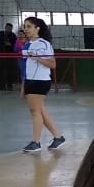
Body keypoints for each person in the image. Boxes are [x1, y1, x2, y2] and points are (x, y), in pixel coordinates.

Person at [20, 16, 66, 152]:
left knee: (35, 111)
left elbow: (53, 64)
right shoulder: (27, 45)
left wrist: (37, 58)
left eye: (29, 26)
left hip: (40, 81)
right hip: (29, 81)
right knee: (40, 111)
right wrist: (23, 86)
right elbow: (25, 67)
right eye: (25, 26)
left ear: (37, 28)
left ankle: (36, 142)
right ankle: (58, 137)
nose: (25, 29)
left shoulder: (44, 44)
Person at [0, 23, 19, 91]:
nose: (8, 29)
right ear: (5, 27)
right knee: (0, 71)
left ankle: (10, 86)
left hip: (10, 55)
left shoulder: (13, 35)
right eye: (7, 27)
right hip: (0, 55)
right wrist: (3, 43)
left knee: (10, 71)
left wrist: (10, 44)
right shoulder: (0, 33)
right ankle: (2, 86)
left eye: (10, 28)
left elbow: (15, 44)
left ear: (11, 29)